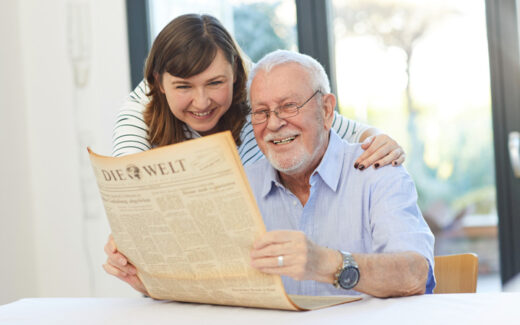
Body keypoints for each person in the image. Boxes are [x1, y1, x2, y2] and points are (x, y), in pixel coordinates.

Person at [103, 13, 408, 294]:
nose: (201, 101)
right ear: (160, 84)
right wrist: (135, 256)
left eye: (215, 83)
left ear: (236, 75)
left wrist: (378, 139)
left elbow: (325, 120)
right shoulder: (137, 116)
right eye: (184, 87)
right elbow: (129, 202)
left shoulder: (257, 96)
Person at [245, 50, 435, 297]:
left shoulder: (378, 171)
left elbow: (415, 276)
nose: (273, 123)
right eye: (261, 111)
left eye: (289, 106)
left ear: (326, 110)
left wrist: (327, 264)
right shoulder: (241, 185)